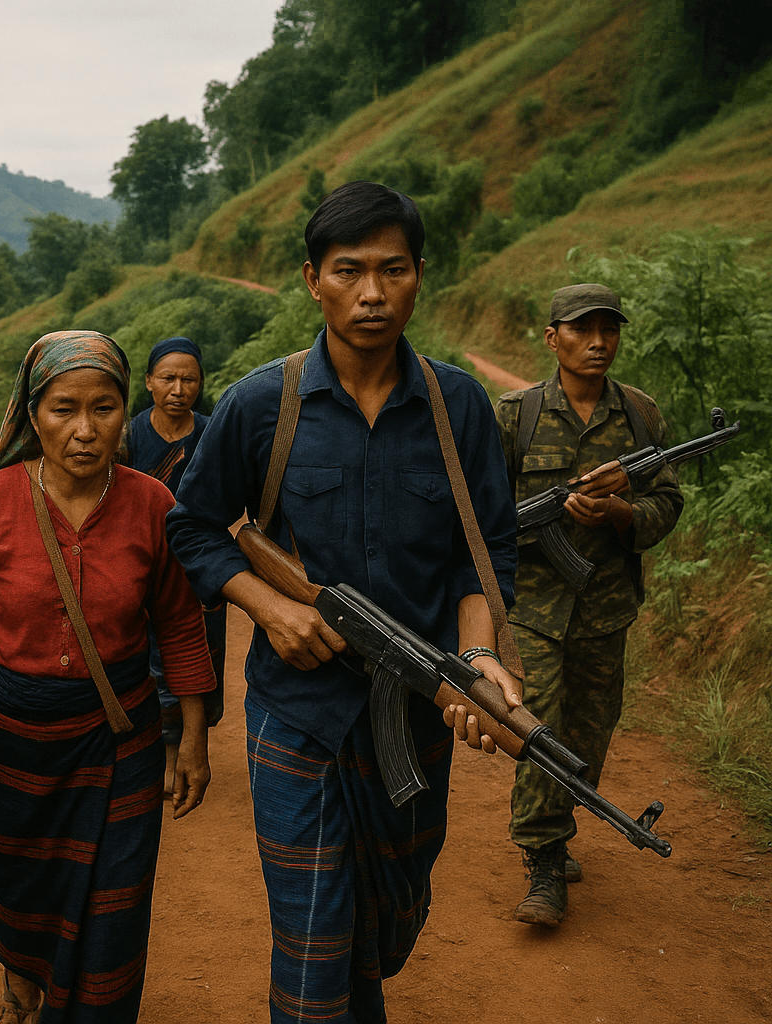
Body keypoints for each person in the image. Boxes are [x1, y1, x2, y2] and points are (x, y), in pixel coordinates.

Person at [166, 181, 522, 1024]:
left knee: (385, 928)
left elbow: (487, 553)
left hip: (418, 713)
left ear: (420, 275)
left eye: (392, 271)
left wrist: (477, 658)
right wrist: (269, 607)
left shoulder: (457, 406)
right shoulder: (264, 404)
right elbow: (195, 529)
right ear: (312, 280)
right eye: (349, 271)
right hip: (301, 716)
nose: (372, 293)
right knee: (314, 935)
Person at [0, 330, 215, 1024]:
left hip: (118, 737)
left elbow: (178, 625)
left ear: (124, 411)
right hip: (8, 738)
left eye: (104, 408)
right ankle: (22, 977)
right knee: (19, 884)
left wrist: (192, 735)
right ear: (31, 413)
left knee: (116, 900)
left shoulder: (152, 507)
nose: (85, 430)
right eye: (63, 409)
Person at [498, 283, 682, 927]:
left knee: (590, 728)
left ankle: (560, 817)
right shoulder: (515, 416)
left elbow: (668, 502)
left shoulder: (639, 415)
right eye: (582, 330)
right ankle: (544, 857)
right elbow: (482, 513)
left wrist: (620, 512)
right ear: (553, 339)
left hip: (606, 606)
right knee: (541, 720)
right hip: (532, 608)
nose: (598, 342)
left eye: (609, 329)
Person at [125, 335, 226, 794]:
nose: (179, 388)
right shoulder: (128, 435)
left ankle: (190, 741)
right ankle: (159, 748)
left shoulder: (213, 431)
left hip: (201, 564)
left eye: (189, 379)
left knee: (201, 653)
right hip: (143, 561)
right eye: (168, 378)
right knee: (148, 656)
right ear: (149, 382)